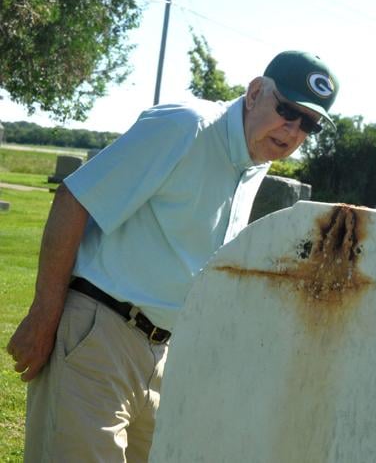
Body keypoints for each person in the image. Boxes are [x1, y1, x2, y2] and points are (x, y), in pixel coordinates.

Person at [6, 50, 339, 461]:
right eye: (287, 110)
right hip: (100, 334)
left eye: (309, 124)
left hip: (164, 355)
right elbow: (75, 199)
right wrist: (43, 316)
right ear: (255, 93)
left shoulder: (254, 162)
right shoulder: (186, 126)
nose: (293, 130)